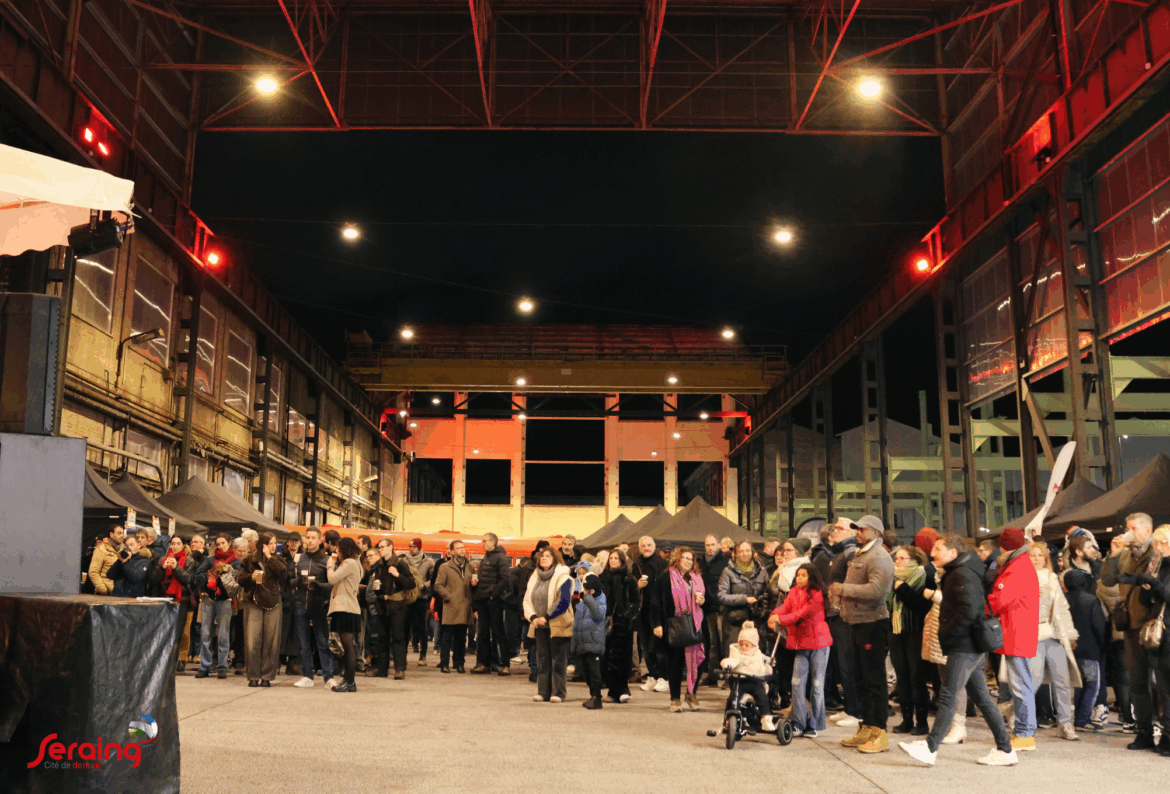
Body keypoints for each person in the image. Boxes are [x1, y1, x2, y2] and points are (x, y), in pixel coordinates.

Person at [898, 534, 1018, 767]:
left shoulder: (961, 573)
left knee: (948, 695)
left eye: (938, 549)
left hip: (964, 644)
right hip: (969, 644)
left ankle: (930, 747)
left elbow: (969, 610)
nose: (933, 553)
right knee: (982, 699)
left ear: (953, 553)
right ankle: (1005, 749)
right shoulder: (961, 570)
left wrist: (950, 632)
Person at [830, 515, 895, 754]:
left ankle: (879, 732)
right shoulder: (862, 554)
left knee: (874, 680)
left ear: (875, 532)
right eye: (856, 529)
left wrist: (843, 589)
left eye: (862, 529)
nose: (858, 532)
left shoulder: (879, 557)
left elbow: (878, 591)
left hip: (872, 624)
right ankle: (867, 727)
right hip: (857, 622)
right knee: (861, 679)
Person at [1101, 512, 1161, 751]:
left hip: (1157, 625)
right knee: (1137, 681)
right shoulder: (1124, 554)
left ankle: (1166, 731)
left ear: (1147, 530)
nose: (1128, 532)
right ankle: (1144, 731)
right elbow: (1107, 581)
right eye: (1127, 528)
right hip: (1132, 626)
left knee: (1162, 682)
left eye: (1133, 528)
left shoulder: (1158, 551)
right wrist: (1113, 555)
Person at [986, 527, 1040, 752]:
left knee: (1020, 685)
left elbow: (999, 599)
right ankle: (1024, 730)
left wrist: (981, 607)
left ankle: (1025, 733)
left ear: (1004, 547)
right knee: (1021, 683)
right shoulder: (1021, 563)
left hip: (1016, 631)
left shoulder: (1016, 567)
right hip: (1019, 630)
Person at [768, 562, 831, 737]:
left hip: (819, 645)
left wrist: (780, 620)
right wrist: (774, 615)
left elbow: (801, 614)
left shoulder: (817, 594)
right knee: (796, 683)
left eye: (804, 575)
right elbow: (785, 607)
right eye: (798, 575)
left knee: (816, 685)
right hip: (801, 645)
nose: (800, 578)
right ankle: (798, 722)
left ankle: (815, 724)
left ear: (811, 577)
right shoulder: (794, 592)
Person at [1028, 541, 1081, 740]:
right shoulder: (1021, 578)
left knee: (1062, 680)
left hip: (1054, 633)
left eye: (1040, 555)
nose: (1036, 559)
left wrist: (1070, 634)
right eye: (1032, 555)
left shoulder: (1052, 578)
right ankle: (1022, 720)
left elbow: (1062, 608)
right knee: (1032, 680)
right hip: (1032, 634)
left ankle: (1065, 723)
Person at [651, 545, 707, 712]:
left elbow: (709, 599)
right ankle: (675, 699)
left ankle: (691, 693)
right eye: (685, 558)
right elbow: (656, 601)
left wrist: (703, 600)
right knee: (675, 662)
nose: (688, 562)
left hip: (695, 624)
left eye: (691, 559)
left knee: (698, 660)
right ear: (677, 559)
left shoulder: (696, 578)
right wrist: (657, 623)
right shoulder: (666, 577)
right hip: (674, 624)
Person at [1130, 525, 1170, 755]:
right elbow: (1148, 601)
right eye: (1157, 542)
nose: (1160, 546)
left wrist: (1155, 584)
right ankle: (1159, 733)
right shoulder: (1156, 565)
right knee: (1161, 685)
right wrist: (1146, 587)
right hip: (1158, 631)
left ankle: (1168, 736)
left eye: (1165, 541)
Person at [889, 544, 932, 735]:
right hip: (896, 631)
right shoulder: (893, 578)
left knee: (916, 677)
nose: (897, 562)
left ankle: (921, 722)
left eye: (902, 558)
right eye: (896, 558)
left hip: (916, 631)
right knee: (902, 677)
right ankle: (906, 720)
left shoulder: (924, 577)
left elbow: (922, 606)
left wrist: (903, 589)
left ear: (914, 560)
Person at [717, 540, 769, 696]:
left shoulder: (762, 571)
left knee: (756, 658)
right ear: (735, 553)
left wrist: (762, 603)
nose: (745, 554)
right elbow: (721, 596)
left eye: (748, 550)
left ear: (752, 552)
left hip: (756, 621)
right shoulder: (728, 571)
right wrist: (744, 599)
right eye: (741, 551)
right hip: (735, 621)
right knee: (736, 659)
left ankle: (756, 695)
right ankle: (735, 695)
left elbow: (767, 593)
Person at [524, 546, 574, 703]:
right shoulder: (534, 577)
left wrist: (546, 616)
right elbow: (527, 600)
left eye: (548, 556)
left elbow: (563, 600)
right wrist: (533, 617)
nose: (544, 558)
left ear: (555, 559)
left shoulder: (563, 576)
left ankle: (558, 693)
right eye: (542, 556)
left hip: (558, 623)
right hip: (539, 624)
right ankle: (543, 692)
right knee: (542, 660)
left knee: (558, 661)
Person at [237, 532, 286, 687]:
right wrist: (251, 577)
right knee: (252, 640)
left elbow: (283, 573)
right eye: (270, 543)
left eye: (274, 543)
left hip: (273, 601)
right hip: (253, 601)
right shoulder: (249, 560)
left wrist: (270, 557)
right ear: (262, 545)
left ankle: (267, 676)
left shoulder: (278, 560)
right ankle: (253, 675)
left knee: (271, 640)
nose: (273, 546)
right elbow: (240, 580)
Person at [290, 528, 335, 689]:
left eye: (313, 538)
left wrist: (318, 586)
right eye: (307, 537)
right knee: (303, 643)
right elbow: (289, 581)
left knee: (323, 642)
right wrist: (298, 582)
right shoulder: (299, 558)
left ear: (320, 540)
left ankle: (329, 677)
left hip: (319, 606)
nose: (309, 541)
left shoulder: (327, 560)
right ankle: (307, 676)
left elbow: (332, 584)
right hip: (300, 604)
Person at [823, 518, 859, 721]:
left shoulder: (850, 552)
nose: (834, 531)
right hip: (836, 613)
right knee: (842, 663)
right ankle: (849, 707)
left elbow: (852, 584)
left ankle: (855, 710)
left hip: (844, 615)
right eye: (835, 527)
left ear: (851, 532)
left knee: (848, 663)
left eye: (839, 528)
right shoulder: (840, 553)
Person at [1063, 567, 1107, 732]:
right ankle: (1083, 719)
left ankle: (1077, 718)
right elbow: (1099, 626)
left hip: (1070, 649)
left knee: (1078, 685)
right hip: (1090, 649)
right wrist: (1103, 646)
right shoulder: (1091, 600)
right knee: (1092, 684)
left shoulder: (1064, 599)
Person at [367, 538, 417, 680]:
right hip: (382, 605)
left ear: (390, 547)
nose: (380, 550)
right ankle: (382, 668)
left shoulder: (399, 564)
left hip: (396, 605)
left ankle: (399, 669)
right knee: (382, 638)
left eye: (382, 547)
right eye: (379, 547)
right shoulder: (379, 565)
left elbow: (411, 584)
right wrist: (377, 588)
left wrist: (398, 575)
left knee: (398, 638)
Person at [193, 534, 238, 679]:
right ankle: (205, 666)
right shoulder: (210, 560)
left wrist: (227, 572)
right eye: (218, 544)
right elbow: (197, 575)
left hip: (225, 599)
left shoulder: (235, 561)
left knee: (223, 634)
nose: (221, 546)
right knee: (206, 633)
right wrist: (207, 577)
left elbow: (238, 580)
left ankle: (222, 666)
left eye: (223, 543)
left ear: (229, 543)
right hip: (208, 597)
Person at [600, 548, 639, 703]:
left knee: (622, 658)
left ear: (622, 560)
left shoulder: (629, 579)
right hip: (604, 623)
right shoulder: (602, 578)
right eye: (611, 558)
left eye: (616, 558)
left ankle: (622, 689)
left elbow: (636, 601)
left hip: (623, 624)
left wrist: (627, 616)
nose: (613, 560)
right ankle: (612, 690)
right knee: (606, 658)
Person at [721, 622, 776, 730]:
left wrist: (770, 662)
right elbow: (731, 661)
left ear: (753, 645)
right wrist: (727, 665)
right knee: (732, 698)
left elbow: (765, 660)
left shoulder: (757, 654)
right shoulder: (737, 654)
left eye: (747, 645)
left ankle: (766, 719)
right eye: (741, 644)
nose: (743, 647)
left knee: (762, 698)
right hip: (741, 682)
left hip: (756, 682)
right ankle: (728, 719)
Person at [633, 535, 669, 692]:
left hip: (658, 611)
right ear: (639, 548)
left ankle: (664, 678)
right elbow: (630, 588)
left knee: (659, 647)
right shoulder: (636, 564)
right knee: (645, 647)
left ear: (654, 546)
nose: (646, 548)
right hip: (642, 611)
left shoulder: (663, 564)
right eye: (643, 546)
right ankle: (653, 676)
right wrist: (637, 585)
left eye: (649, 545)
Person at [471, 532, 511, 675]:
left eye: (484, 541)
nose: (482, 543)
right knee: (483, 633)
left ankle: (504, 664)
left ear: (492, 542)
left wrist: (494, 595)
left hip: (494, 601)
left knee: (498, 633)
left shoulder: (500, 557)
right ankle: (484, 663)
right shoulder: (486, 557)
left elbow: (505, 578)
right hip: (483, 600)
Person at [326, 537, 362, 692]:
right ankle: (348, 680)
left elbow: (332, 579)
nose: (336, 552)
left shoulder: (349, 563)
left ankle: (350, 681)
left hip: (345, 607)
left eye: (338, 549)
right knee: (348, 646)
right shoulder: (356, 563)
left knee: (348, 647)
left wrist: (330, 565)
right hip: (348, 607)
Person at [434, 540, 474, 674]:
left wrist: (475, 584)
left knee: (461, 638)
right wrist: (449, 596)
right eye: (458, 548)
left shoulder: (470, 566)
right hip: (450, 606)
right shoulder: (445, 567)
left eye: (463, 547)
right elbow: (438, 585)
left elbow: (473, 585)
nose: (462, 550)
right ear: (452, 552)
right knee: (447, 637)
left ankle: (459, 663)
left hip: (464, 606)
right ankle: (444, 663)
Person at [572, 573, 608, 710]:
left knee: (594, 672)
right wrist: (574, 642)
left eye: (587, 588)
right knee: (586, 672)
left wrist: (587, 598)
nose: (585, 590)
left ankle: (597, 697)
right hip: (582, 641)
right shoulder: (583, 601)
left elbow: (598, 615)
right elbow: (577, 622)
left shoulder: (601, 598)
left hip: (594, 641)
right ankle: (592, 695)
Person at [698, 534, 729, 686]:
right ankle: (712, 675)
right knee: (712, 643)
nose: (710, 548)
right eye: (707, 545)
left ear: (718, 545)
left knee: (725, 642)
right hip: (708, 607)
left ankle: (728, 676)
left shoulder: (725, 561)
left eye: (712, 544)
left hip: (722, 607)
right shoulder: (700, 562)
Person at [159, 535, 190, 671]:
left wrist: (176, 568)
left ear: (183, 545)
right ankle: (164, 662)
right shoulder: (163, 559)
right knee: (165, 631)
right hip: (165, 598)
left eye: (178, 543)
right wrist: (162, 568)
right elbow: (154, 579)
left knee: (178, 632)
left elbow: (189, 580)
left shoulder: (189, 560)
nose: (175, 546)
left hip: (181, 599)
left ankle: (174, 662)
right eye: (173, 543)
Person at [403, 538, 435, 665]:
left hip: (421, 598)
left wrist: (423, 585)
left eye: (414, 547)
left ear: (419, 547)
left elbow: (433, 580)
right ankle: (403, 655)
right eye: (410, 546)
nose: (412, 549)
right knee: (405, 627)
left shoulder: (428, 561)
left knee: (422, 627)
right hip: (407, 598)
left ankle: (423, 655)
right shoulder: (404, 560)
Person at [89, 525, 126, 595]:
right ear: (111, 534)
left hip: (120, 592)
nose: (122, 536)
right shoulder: (101, 550)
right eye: (119, 533)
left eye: (123, 533)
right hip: (106, 593)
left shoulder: (124, 550)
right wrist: (103, 590)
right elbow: (93, 572)